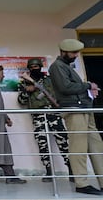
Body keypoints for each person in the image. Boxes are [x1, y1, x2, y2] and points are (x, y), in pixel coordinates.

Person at [49, 39, 103, 195]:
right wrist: (88, 86)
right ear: (64, 52)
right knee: (78, 147)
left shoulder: (65, 66)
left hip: (84, 108)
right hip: (74, 110)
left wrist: (88, 90)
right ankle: (81, 183)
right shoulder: (57, 67)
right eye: (73, 53)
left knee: (97, 146)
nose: (76, 55)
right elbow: (65, 88)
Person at [18, 58, 71, 182]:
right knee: (43, 143)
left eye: (37, 66)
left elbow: (58, 95)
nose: (34, 69)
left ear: (41, 67)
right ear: (29, 69)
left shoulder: (49, 80)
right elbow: (21, 101)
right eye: (32, 67)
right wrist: (27, 91)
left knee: (63, 141)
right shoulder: (24, 83)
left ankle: (71, 169)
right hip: (38, 115)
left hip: (53, 113)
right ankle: (48, 171)